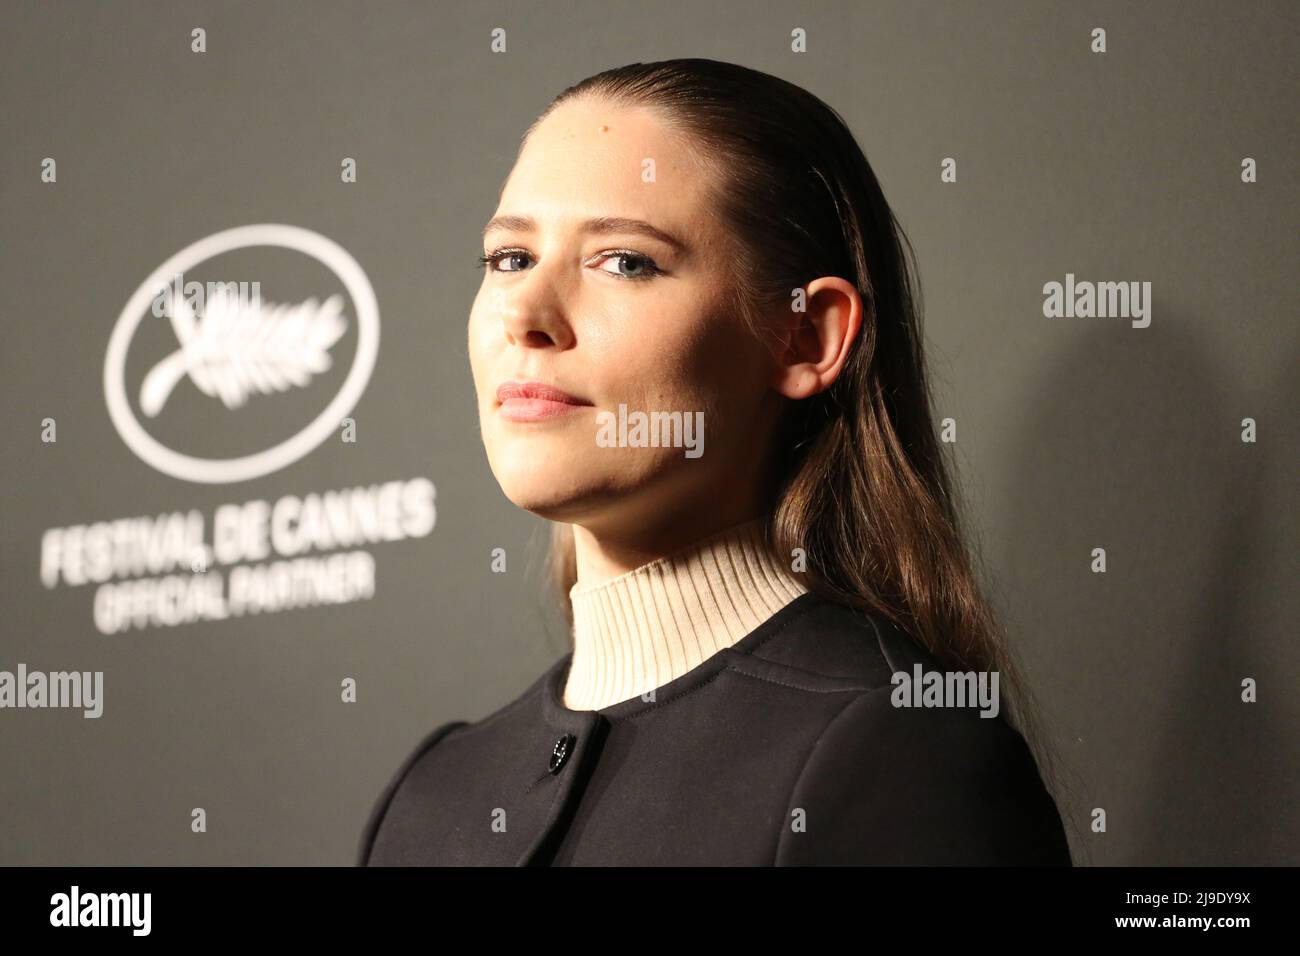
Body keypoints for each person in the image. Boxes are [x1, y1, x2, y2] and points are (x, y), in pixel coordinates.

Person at [359, 57, 1073, 866]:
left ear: (806, 336)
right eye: (509, 259)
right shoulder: (433, 797)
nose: (525, 313)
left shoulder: (897, 750)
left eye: (625, 261)